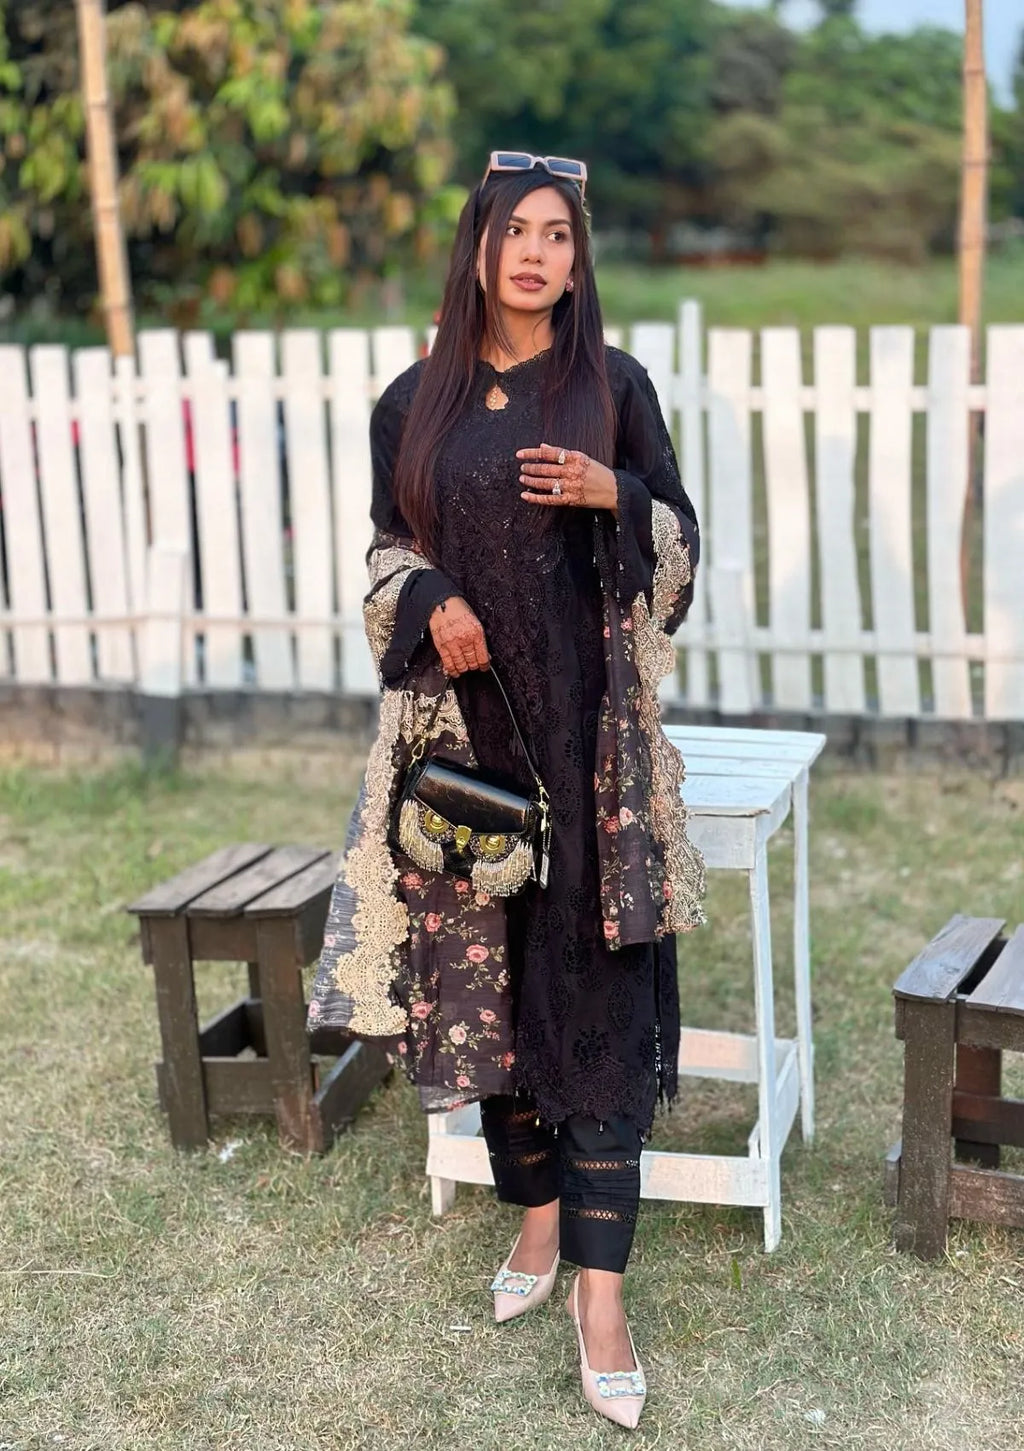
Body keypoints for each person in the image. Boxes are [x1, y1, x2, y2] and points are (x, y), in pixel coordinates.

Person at [307, 150, 706, 1429]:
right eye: (514, 231)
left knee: (592, 999)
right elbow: (387, 549)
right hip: (465, 753)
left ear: (578, 262)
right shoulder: (413, 401)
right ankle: (535, 1219)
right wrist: (431, 595)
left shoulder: (612, 388)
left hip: (591, 755)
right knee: (488, 983)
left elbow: (681, 553)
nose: (535, 253)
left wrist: (614, 490)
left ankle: (603, 1298)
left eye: (558, 235)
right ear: (478, 248)